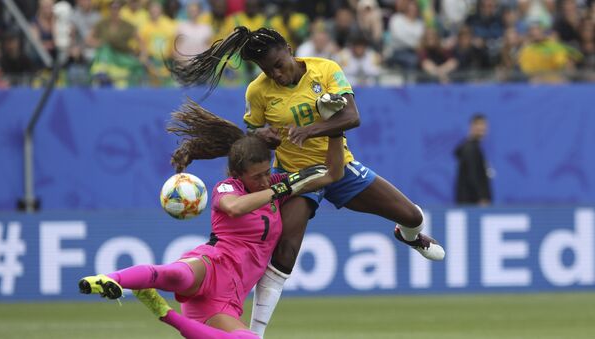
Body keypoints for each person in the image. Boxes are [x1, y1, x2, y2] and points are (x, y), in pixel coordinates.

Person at [168, 26, 445, 338]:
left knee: (413, 217)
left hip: (340, 166)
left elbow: (352, 117)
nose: (276, 74)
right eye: (267, 70)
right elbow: (249, 141)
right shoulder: (257, 92)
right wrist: (262, 136)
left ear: (289, 49)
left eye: (278, 64)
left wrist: (312, 129)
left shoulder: (325, 69)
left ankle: (408, 236)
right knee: (285, 251)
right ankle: (255, 333)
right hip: (297, 178)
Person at [78, 100, 344, 339]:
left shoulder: (275, 185)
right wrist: (277, 190)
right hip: (214, 264)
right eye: (256, 176)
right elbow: (235, 208)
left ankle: (162, 311)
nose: (264, 180)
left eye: (266, 172)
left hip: (227, 299)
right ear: (238, 174)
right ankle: (107, 279)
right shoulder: (227, 188)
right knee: (176, 274)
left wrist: (335, 129)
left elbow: (332, 174)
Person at [454, 114, 492, 206]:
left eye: (483, 125)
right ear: (472, 127)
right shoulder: (470, 149)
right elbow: (473, 175)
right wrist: (481, 197)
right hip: (472, 204)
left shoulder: (473, 147)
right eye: (478, 125)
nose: (482, 128)